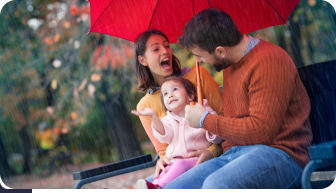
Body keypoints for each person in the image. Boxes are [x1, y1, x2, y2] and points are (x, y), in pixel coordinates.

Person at [163, 9, 313, 189]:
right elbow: (235, 125)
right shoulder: (229, 64)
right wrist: (211, 150)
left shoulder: (269, 61)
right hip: (234, 154)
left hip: (281, 155)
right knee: (175, 187)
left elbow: (261, 132)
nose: (200, 60)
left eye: (201, 55)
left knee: (215, 185)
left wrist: (204, 119)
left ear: (220, 51)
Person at [133, 29, 224, 182]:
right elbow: (163, 150)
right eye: (156, 49)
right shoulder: (145, 105)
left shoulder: (198, 74)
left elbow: (224, 119)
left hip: (209, 160)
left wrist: (211, 151)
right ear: (143, 60)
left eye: (167, 46)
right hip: (175, 164)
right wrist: (163, 160)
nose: (165, 51)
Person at [132, 77, 224, 189]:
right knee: (165, 171)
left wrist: (204, 119)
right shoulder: (168, 119)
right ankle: (154, 184)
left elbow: (218, 133)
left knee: (178, 166)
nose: (170, 95)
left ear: (190, 95)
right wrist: (153, 117)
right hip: (175, 162)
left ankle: (158, 186)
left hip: (197, 160)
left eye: (175, 89)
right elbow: (164, 136)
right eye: (165, 94)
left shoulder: (202, 109)